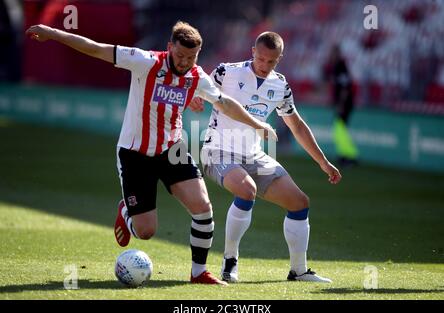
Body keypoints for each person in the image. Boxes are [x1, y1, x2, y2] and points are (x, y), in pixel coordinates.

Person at [26, 21, 277, 285]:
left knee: (203, 208)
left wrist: (257, 125)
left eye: (191, 57)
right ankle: (127, 212)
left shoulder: (196, 76)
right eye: (180, 55)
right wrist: (52, 32)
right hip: (135, 155)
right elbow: (97, 49)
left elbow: (225, 104)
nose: (184, 62)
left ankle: (198, 272)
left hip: (171, 150)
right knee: (145, 231)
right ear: (169, 47)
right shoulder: (144, 62)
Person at [189, 32, 342, 283]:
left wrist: (323, 162)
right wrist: (194, 98)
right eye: (260, 58)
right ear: (252, 51)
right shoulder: (227, 71)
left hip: (254, 155)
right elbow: (196, 86)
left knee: (299, 202)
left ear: (279, 59)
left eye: (270, 61)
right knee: (246, 190)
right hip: (218, 151)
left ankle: (298, 270)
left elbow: (297, 126)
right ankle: (230, 260)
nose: (263, 65)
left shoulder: (280, 85)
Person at [323, 44, 359, 167]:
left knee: (340, 129)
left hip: (345, 103)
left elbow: (345, 87)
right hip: (342, 103)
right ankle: (347, 155)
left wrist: (341, 104)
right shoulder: (336, 67)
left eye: (333, 54)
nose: (331, 56)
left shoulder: (341, 67)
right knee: (340, 129)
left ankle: (347, 156)